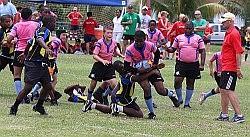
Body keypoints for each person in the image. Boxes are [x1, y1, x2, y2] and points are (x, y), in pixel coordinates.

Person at [124, 30, 179, 119]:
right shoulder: (129, 49)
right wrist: (137, 69)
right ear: (134, 39)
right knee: (146, 88)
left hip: (151, 69)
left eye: (141, 41)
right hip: (140, 72)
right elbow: (126, 66)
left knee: (161, 90)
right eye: (136, 41)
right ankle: (152, 112)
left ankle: (171, 94)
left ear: (144, 39)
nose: (138, 43)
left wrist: (155, 64)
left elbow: (157, 52)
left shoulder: (149, 45)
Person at [9, 15, 56, 115]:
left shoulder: (42, 30)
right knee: (28, 87)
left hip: (41, 63)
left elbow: (30, 42)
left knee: (48, 86)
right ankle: (14, 107)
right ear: (49, 23)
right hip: (34, 63)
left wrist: (25, 53)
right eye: (54, 23)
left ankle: (39, 106)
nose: (55, 25)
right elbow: (39, 39)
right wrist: (46, 48)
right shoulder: (44, 30)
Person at [82, 60, 163, 118]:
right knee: (139, 114)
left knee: (111, 109)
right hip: (123, 97)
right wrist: (152, 72)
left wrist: (153, 67)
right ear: (118, 71)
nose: (123, 68)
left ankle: (92, 105)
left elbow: (139, 71)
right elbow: (139, 78)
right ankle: (118, 108)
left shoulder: (128, 70)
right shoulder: (126, 76)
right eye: (120, 68)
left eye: (122, 66)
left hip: (118, 96)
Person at [164, 21, 206, 108]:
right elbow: (173, 49)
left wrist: (202, 64)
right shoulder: (179, 38)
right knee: (177, 81)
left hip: (193, 64)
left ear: (193, 29)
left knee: (190, 83)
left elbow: (202, 51)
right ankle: (179, 99)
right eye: (186, 28)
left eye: (190, 28)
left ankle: (187, 103)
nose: (187, 30)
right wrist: (167, 49)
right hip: (181, 63)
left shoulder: (198, 38)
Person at [215, 12, 245, 123]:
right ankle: (224, 114)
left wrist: (238, 68)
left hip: (231, 67)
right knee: (223, 89)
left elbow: (238, 52)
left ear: (230, 21)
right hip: (225, 67)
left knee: (229, 90)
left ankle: (239, 115)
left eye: (224, 21)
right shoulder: (228, 33)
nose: (222, 23)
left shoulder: (234, 34)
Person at [7, 8, 39, 103]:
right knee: (34, 75)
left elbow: (9, 38)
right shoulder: (35, 24)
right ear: (30, 16)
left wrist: (10, 43)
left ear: (21, 16)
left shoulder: (17, 25)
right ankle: (30, 93)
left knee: (17, 75)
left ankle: (19, 97)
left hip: (19, 51)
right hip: (31, 51)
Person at [85, 26, 124, 103]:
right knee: (93, 83)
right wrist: (102, 60)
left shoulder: (114, 42)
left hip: (109, 65)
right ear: (104, 33)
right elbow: (94, 55)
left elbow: (115, 49)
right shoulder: (100, 43)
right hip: (99, 65)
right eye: (108, 33)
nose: (110, 34)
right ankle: (88, 100)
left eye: (111, 33)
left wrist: (120, 55)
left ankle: (104, 95)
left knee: (113, 83)